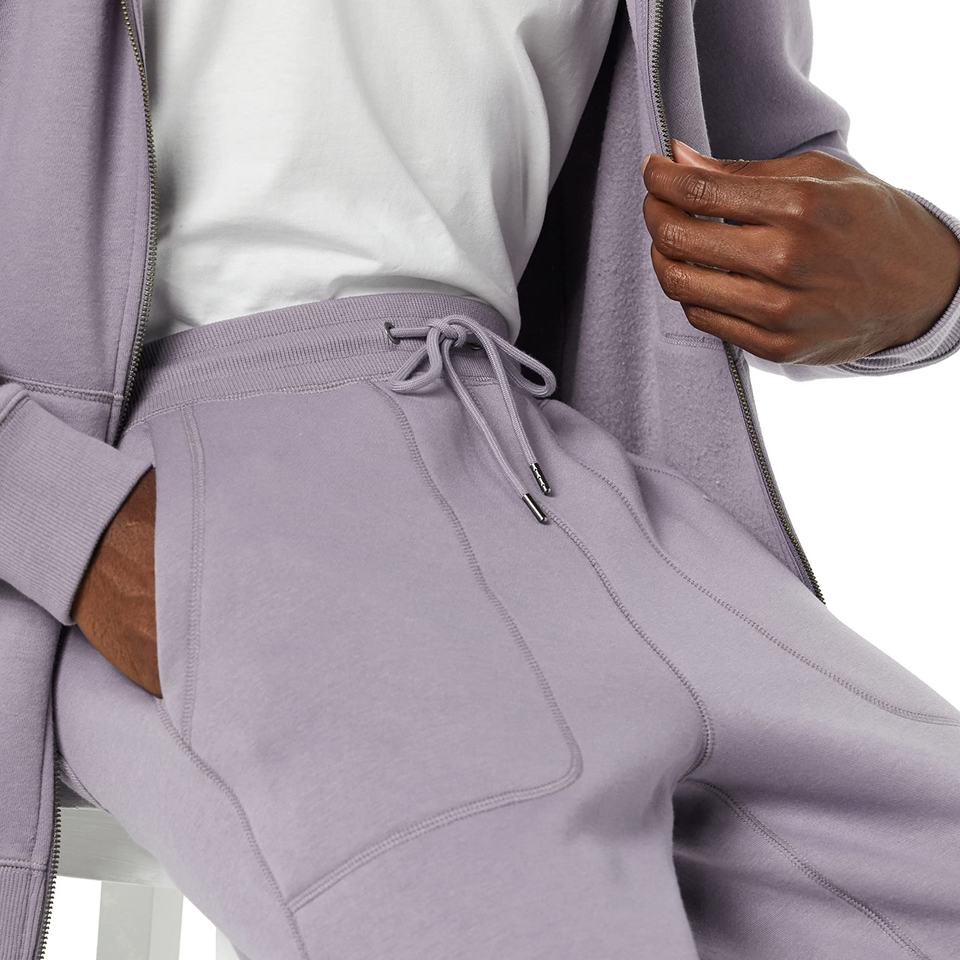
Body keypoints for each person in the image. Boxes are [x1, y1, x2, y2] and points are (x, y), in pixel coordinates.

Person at [1, 1, 958, 958]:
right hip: (194, 478)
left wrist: (933, 280)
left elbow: (755, 175)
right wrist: (64, 517)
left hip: (555, 462)